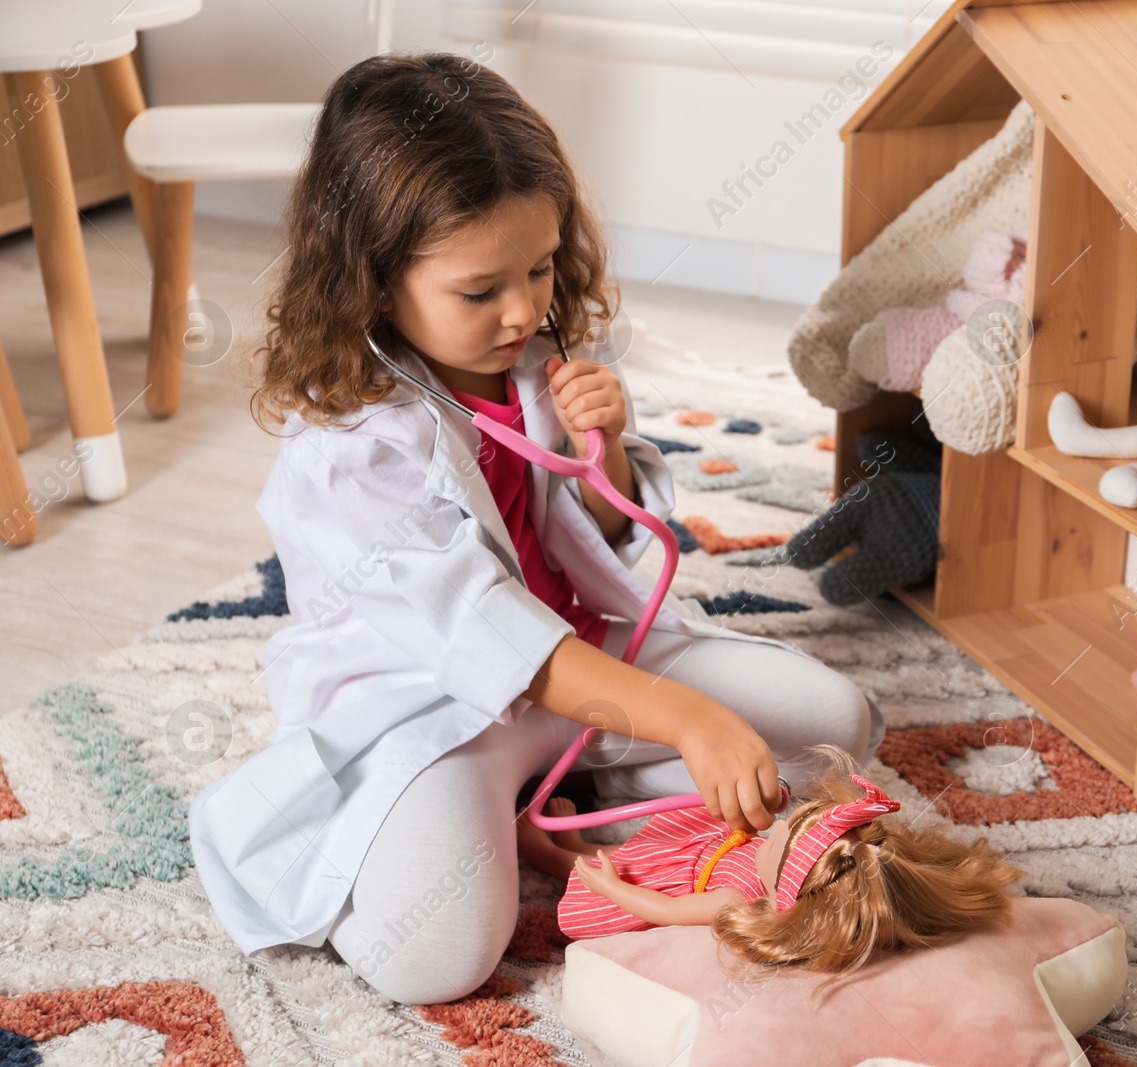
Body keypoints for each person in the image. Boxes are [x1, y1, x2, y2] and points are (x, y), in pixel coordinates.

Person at [186, 51, 885, 1006]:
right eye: (481, 291)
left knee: (839, 728)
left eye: (542, 268)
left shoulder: (535, 357)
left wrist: (604, 454)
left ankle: (550, 810)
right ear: (373, 281)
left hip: (580, 665)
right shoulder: (349, 455)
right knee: (437, 957)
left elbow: (603, 531)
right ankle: (467, 825)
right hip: (440, 705)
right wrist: (690, 717)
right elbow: (486, 634)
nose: (524, 310)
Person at [526, 744, 1021, 991]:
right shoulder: (770, 861)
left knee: (603, 868)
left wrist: (612, 888)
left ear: (789, 876)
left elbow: (666, 908)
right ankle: (578, 841)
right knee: (622, 853)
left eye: (787, 828)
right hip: (698, 850)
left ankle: (549, 855)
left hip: (665, 881)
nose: (780, 823)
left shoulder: (736, 899)